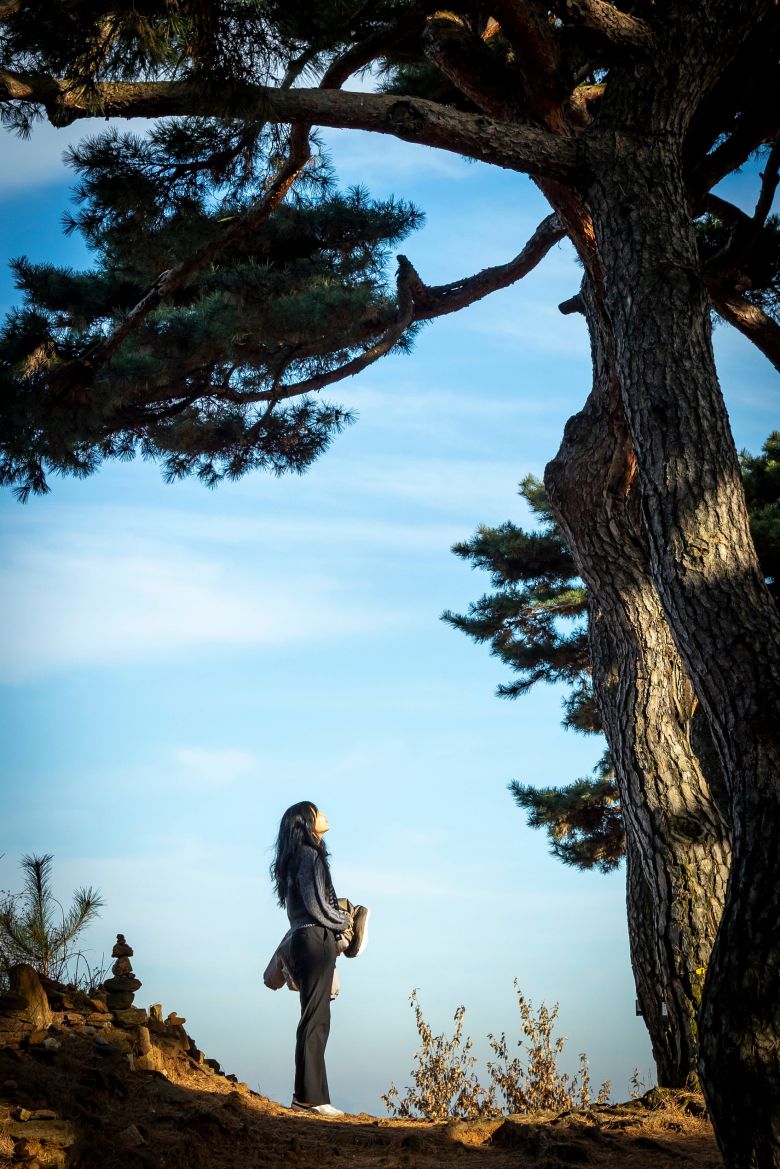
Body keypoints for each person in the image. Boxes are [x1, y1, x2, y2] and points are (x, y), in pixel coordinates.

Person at [270, 801, 349, 1117]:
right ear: (305, 822)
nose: (324, 815)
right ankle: (309, 1099)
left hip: (306, 939)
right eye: (317, 813)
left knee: (315, 1017)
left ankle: (313, 1096)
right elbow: (317, 905)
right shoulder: (308, 855)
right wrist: (343, 921)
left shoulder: (298, 856)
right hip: (315, 939)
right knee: (315, 1018)